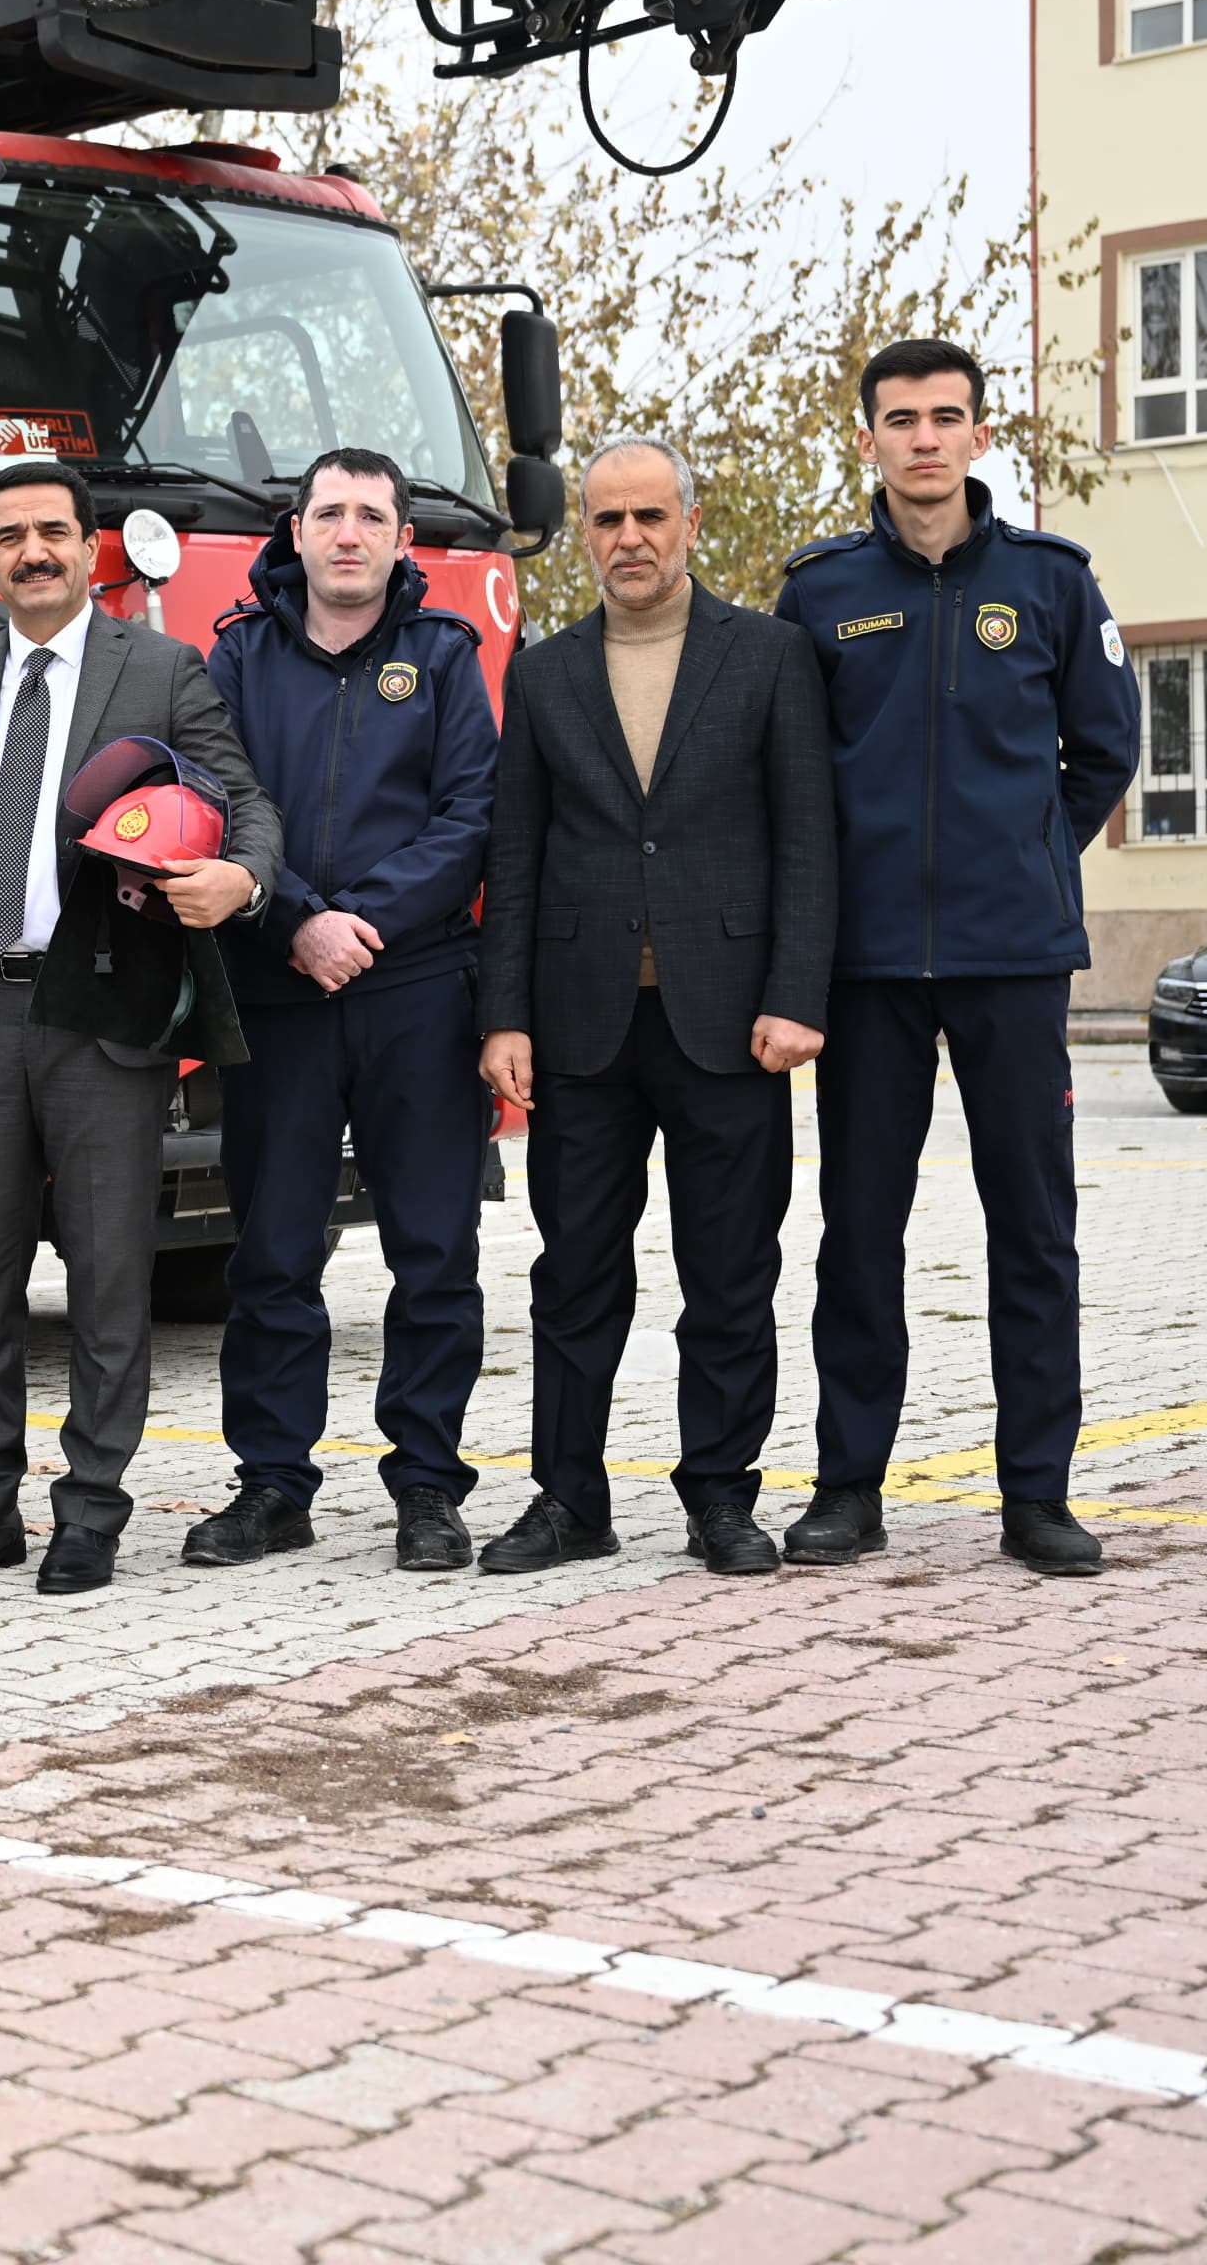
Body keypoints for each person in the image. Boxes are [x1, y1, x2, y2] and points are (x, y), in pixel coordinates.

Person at [0, 463, 279, 1598]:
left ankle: (91, 1510)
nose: (33, 551)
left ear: (92, 545)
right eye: (10, 535)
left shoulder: (160, 669)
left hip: (106, 1007)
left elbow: (246, 801)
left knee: (107, 1274)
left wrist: (240, 876)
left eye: (53, 530)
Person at [773, 340, 1141, 1577]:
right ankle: (847, 1488)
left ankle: (1037, 1494)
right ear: (867, 438)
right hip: (865, 964)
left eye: (947, 418)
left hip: (1012, 958)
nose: (924, 439)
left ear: (981, 436)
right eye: (900, 420)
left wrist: (1029, 854)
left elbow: (1101, 751)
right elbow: (788, 772)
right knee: (859, 1229)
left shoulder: (1051, 583)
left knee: (1032, 1228)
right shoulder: (819, 592)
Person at [475, 433, 836, 1579]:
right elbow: (515, 857)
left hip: (731, 1023)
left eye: (648, 517)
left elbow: (807, 845)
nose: (627, 539)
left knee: (730, 1275)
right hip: (580, 1028)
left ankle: (722, 1499)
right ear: (584, 532)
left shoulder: (770, 656)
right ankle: (570, 1501)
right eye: (605, 520)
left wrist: (795, 995)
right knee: (574, 1277)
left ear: (688, 520)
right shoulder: (541, 673)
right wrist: (505, 1015)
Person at [190, 450, 500, 1575]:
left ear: (402, 538)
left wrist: (357, 922)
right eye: (332, 513)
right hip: (277, 984)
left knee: (434, 1249)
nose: (351, 532)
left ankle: (427, 1485)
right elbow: (217, 802)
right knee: (272, 1251)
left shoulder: (445, 658)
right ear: (299, 529)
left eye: (374, 515)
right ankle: (273, 1483)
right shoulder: (236, 657)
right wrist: (296, 923)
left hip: (417, 988)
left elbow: (472, 816)